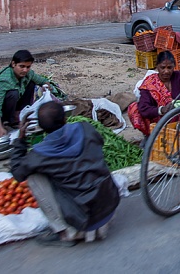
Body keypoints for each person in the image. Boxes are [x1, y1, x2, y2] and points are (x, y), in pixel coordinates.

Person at [10, 101, 120, 247]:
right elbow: (98, 142)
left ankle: (66, 232)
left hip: (85, 219)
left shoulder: (39, 155)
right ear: (65, 118)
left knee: (34, 177)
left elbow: (17, 173)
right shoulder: (85, 128)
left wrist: (20, 141)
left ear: (41, 128)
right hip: (110, 203)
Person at [0, 50, 50, 137]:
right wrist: (0, 128)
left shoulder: (28, 73)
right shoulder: (3, 80)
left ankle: (16, 117)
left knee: (31, 84)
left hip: (4, 103)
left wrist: (47, 88)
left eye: (28, 67)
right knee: (13, 93)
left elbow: (42, 81)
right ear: (13, 64)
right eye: (21, 66)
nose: (25, 70)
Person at [127, 51, 180, 136]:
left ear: (174, 67)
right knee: (134, 108)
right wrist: (162, 110)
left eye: (169, 68)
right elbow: (144, 109)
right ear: (157, 67)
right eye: (163, 67)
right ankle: (151, 136)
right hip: (159, 120)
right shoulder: (149, 84)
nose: (166, 71)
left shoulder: (179, 77)